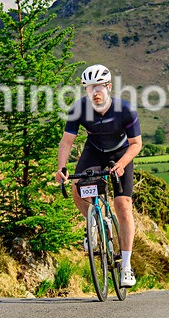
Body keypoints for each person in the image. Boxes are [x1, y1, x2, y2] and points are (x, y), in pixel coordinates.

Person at [55, 64, 143, 288]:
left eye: (99, 87)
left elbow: (136, 144)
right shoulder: (79, 109)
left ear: (109, 87)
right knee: (77, 188)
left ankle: (126, 266)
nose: (95, 92)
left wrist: (122, 164)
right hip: (94, 150)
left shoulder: (125, 110)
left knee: (123, 205)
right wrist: (62, 167)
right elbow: (66, 142)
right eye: (89, 87)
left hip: (121, 152)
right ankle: (93, 222)